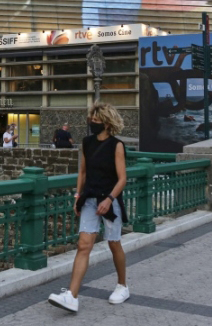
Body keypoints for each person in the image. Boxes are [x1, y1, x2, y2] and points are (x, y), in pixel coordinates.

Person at [48, 103, 129, 313]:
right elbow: (82, 172)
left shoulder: (116, 145)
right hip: (90, 199)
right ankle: (72, 296)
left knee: (114, 243)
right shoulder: (86, 143)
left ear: (106, 122)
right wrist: (77, 196)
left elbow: (122, 179)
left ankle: (122, 285)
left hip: (109, 201)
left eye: (96, 120)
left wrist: (110, 199)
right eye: (91, 120)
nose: (92, 123)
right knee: (84, 245)